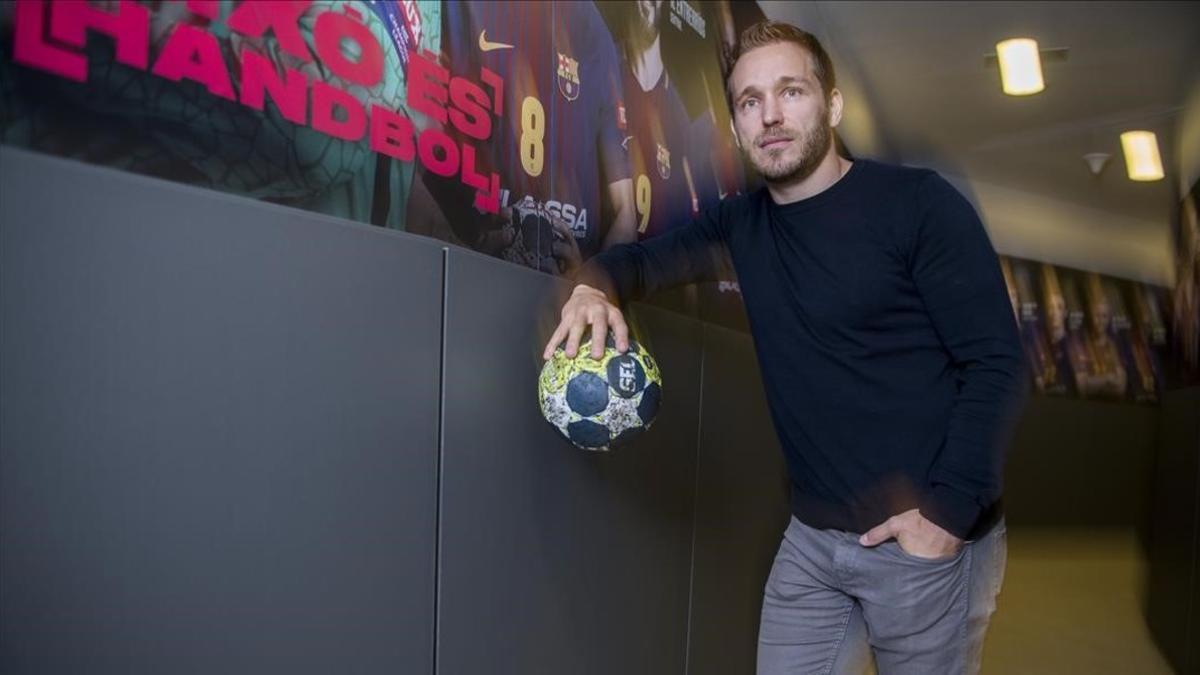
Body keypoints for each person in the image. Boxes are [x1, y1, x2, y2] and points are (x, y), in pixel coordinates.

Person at [542, 20, 1026, 675]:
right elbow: (643, 261)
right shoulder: (741, 224)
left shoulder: (919, 207)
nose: (770, 115)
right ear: (737, 124)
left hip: (924, 538)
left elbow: (997, 362)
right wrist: (593, 288)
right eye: (749, 101)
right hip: (812, 541)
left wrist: (945, 517)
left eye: (790, 91)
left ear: (831, 105)